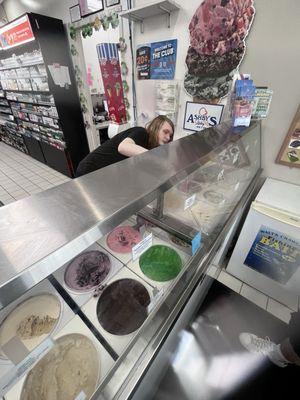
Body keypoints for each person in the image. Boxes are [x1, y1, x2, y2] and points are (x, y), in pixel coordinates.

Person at [76, 115, 174, 177]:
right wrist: (156, 158)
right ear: (155, 128)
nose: (168, 137)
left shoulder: (148, 146)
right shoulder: (141, 133)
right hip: (89, 170)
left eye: (170, 135)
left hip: (104, 173)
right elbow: (123, 147)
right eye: (165, 132)